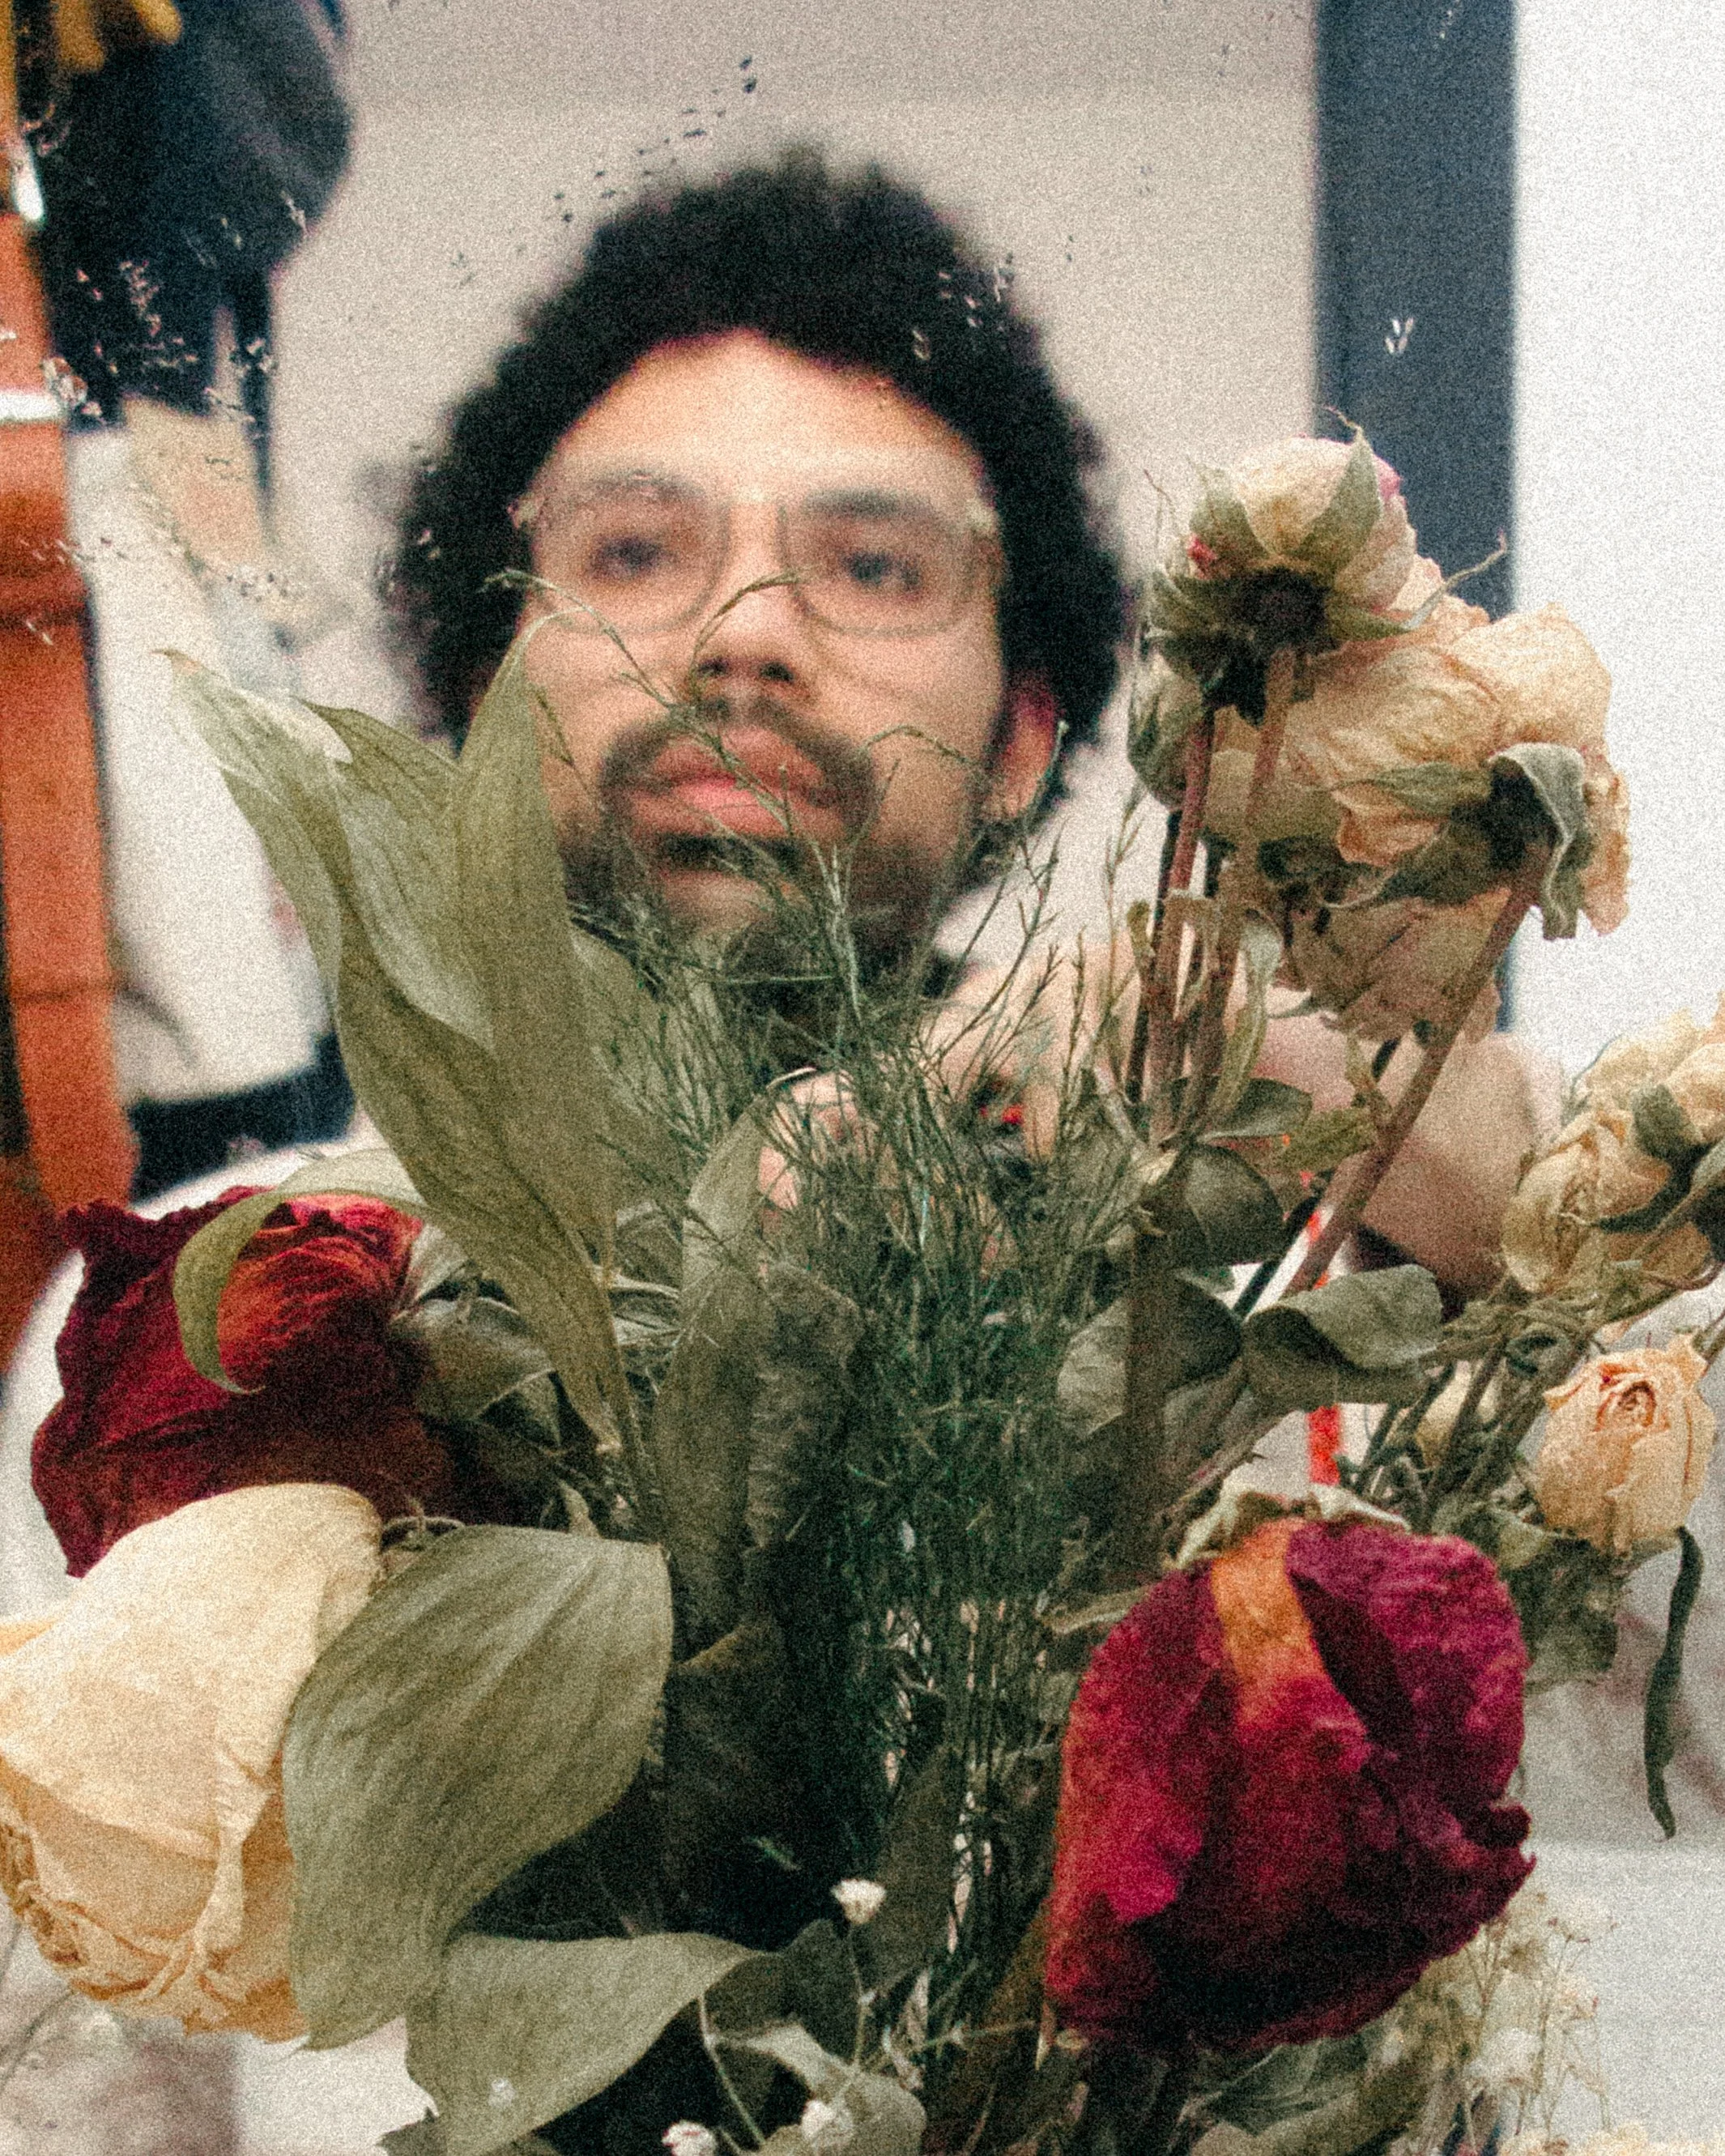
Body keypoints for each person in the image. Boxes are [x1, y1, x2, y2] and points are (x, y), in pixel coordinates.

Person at [389, 148, 1552, 1293]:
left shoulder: (1269, 1274)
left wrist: (1397, 1126)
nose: (743, 638)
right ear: (485, 685)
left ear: (1022, 736)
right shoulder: (286, 1284)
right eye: (635, 551)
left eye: (876, 568)